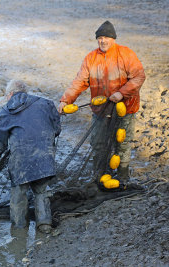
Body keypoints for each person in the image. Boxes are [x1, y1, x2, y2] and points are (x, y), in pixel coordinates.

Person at [57, 21, 146, 182]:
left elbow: (139, 76)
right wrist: (65, 100)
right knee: (98, 143)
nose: (103, 41)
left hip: (125, 109)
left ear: (113, 39)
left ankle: (123, 177)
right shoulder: (91, 58)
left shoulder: (126, 54)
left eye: (106, 37)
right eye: (100, 38)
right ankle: (99, 176)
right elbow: (79, 81)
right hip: (100, 111)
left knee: (122, 144)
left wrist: (121, 93)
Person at [0, 80, 61, 232]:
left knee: (18, 193)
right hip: (45, 156)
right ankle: (45, 224)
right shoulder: (46, 104)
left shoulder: (6, 111)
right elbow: (57, 129)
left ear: (10, 94)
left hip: (21, 160)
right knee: (41, 190)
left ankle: (19, 229)